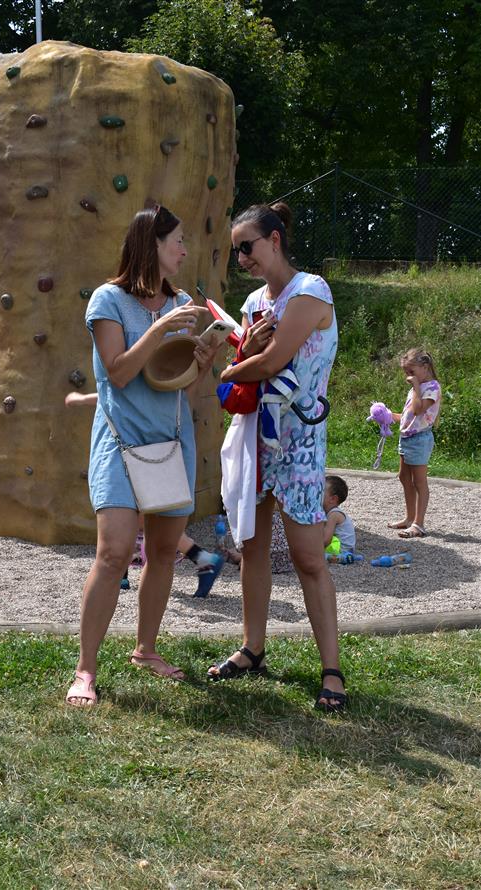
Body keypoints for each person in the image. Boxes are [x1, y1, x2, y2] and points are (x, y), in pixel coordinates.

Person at [66, 205, 220, 707]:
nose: (183, 249)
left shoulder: (181, 302)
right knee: (112, 554)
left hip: (170, 442)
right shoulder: (108, 301)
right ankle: (85, 670)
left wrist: (201, 361)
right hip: (120, 440)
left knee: (161, 554)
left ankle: (145, 649)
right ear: (149, 243)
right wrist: (160, 327)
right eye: (176, 240)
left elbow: (174, 383)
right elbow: (118, 373)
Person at [208, 201, 347, 713]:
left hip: (301, 447)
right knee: (251, 550)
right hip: (256, 441)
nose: (240, 256)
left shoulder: (311, 291)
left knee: (310, 558)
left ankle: (331, 671)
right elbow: (249, 362)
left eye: (246, 246)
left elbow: (269, 361)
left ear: (274, 240)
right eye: (234, 249)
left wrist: (228, 371)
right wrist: (241, 362)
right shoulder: (250, 304)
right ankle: (252, 648)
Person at [65, 392, 224, 597]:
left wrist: (81, 399)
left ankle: (202, 558)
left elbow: (118, 394)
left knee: (143, 520)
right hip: (139, 453)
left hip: (142, 454)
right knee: (138, 519)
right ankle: (199, 559)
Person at [387, 348, 441, 538]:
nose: (408, 377)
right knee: (404, 478)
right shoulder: (415, 389)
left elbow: (418, 410)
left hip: (420, 439)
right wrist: (389, 416)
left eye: (412, 372)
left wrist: (417, 386)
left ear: (425, 367)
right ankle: (409, 518)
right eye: (406, 373)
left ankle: (419, 524)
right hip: (407, 437)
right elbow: (409, 416)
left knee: (419, 482)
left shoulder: (432, 388)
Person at [323, 474, 356, 554]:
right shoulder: (329, 512)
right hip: (347, 550)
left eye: (320, 491)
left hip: (342, 551)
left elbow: (325, 540)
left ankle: (344, 558)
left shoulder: (334, 514)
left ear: (333, 499)